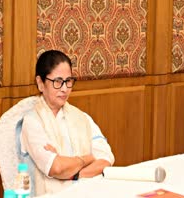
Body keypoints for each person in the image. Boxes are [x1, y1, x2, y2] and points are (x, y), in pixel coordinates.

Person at [20, 50, 114, 195]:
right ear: (40, 83)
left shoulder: (82, 118)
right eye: (58, 81)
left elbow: (106, 159)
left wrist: (72, 175)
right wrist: (87, 159)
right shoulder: (32, 122)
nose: (64, 89)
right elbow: (56, 167)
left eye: (68, 81)